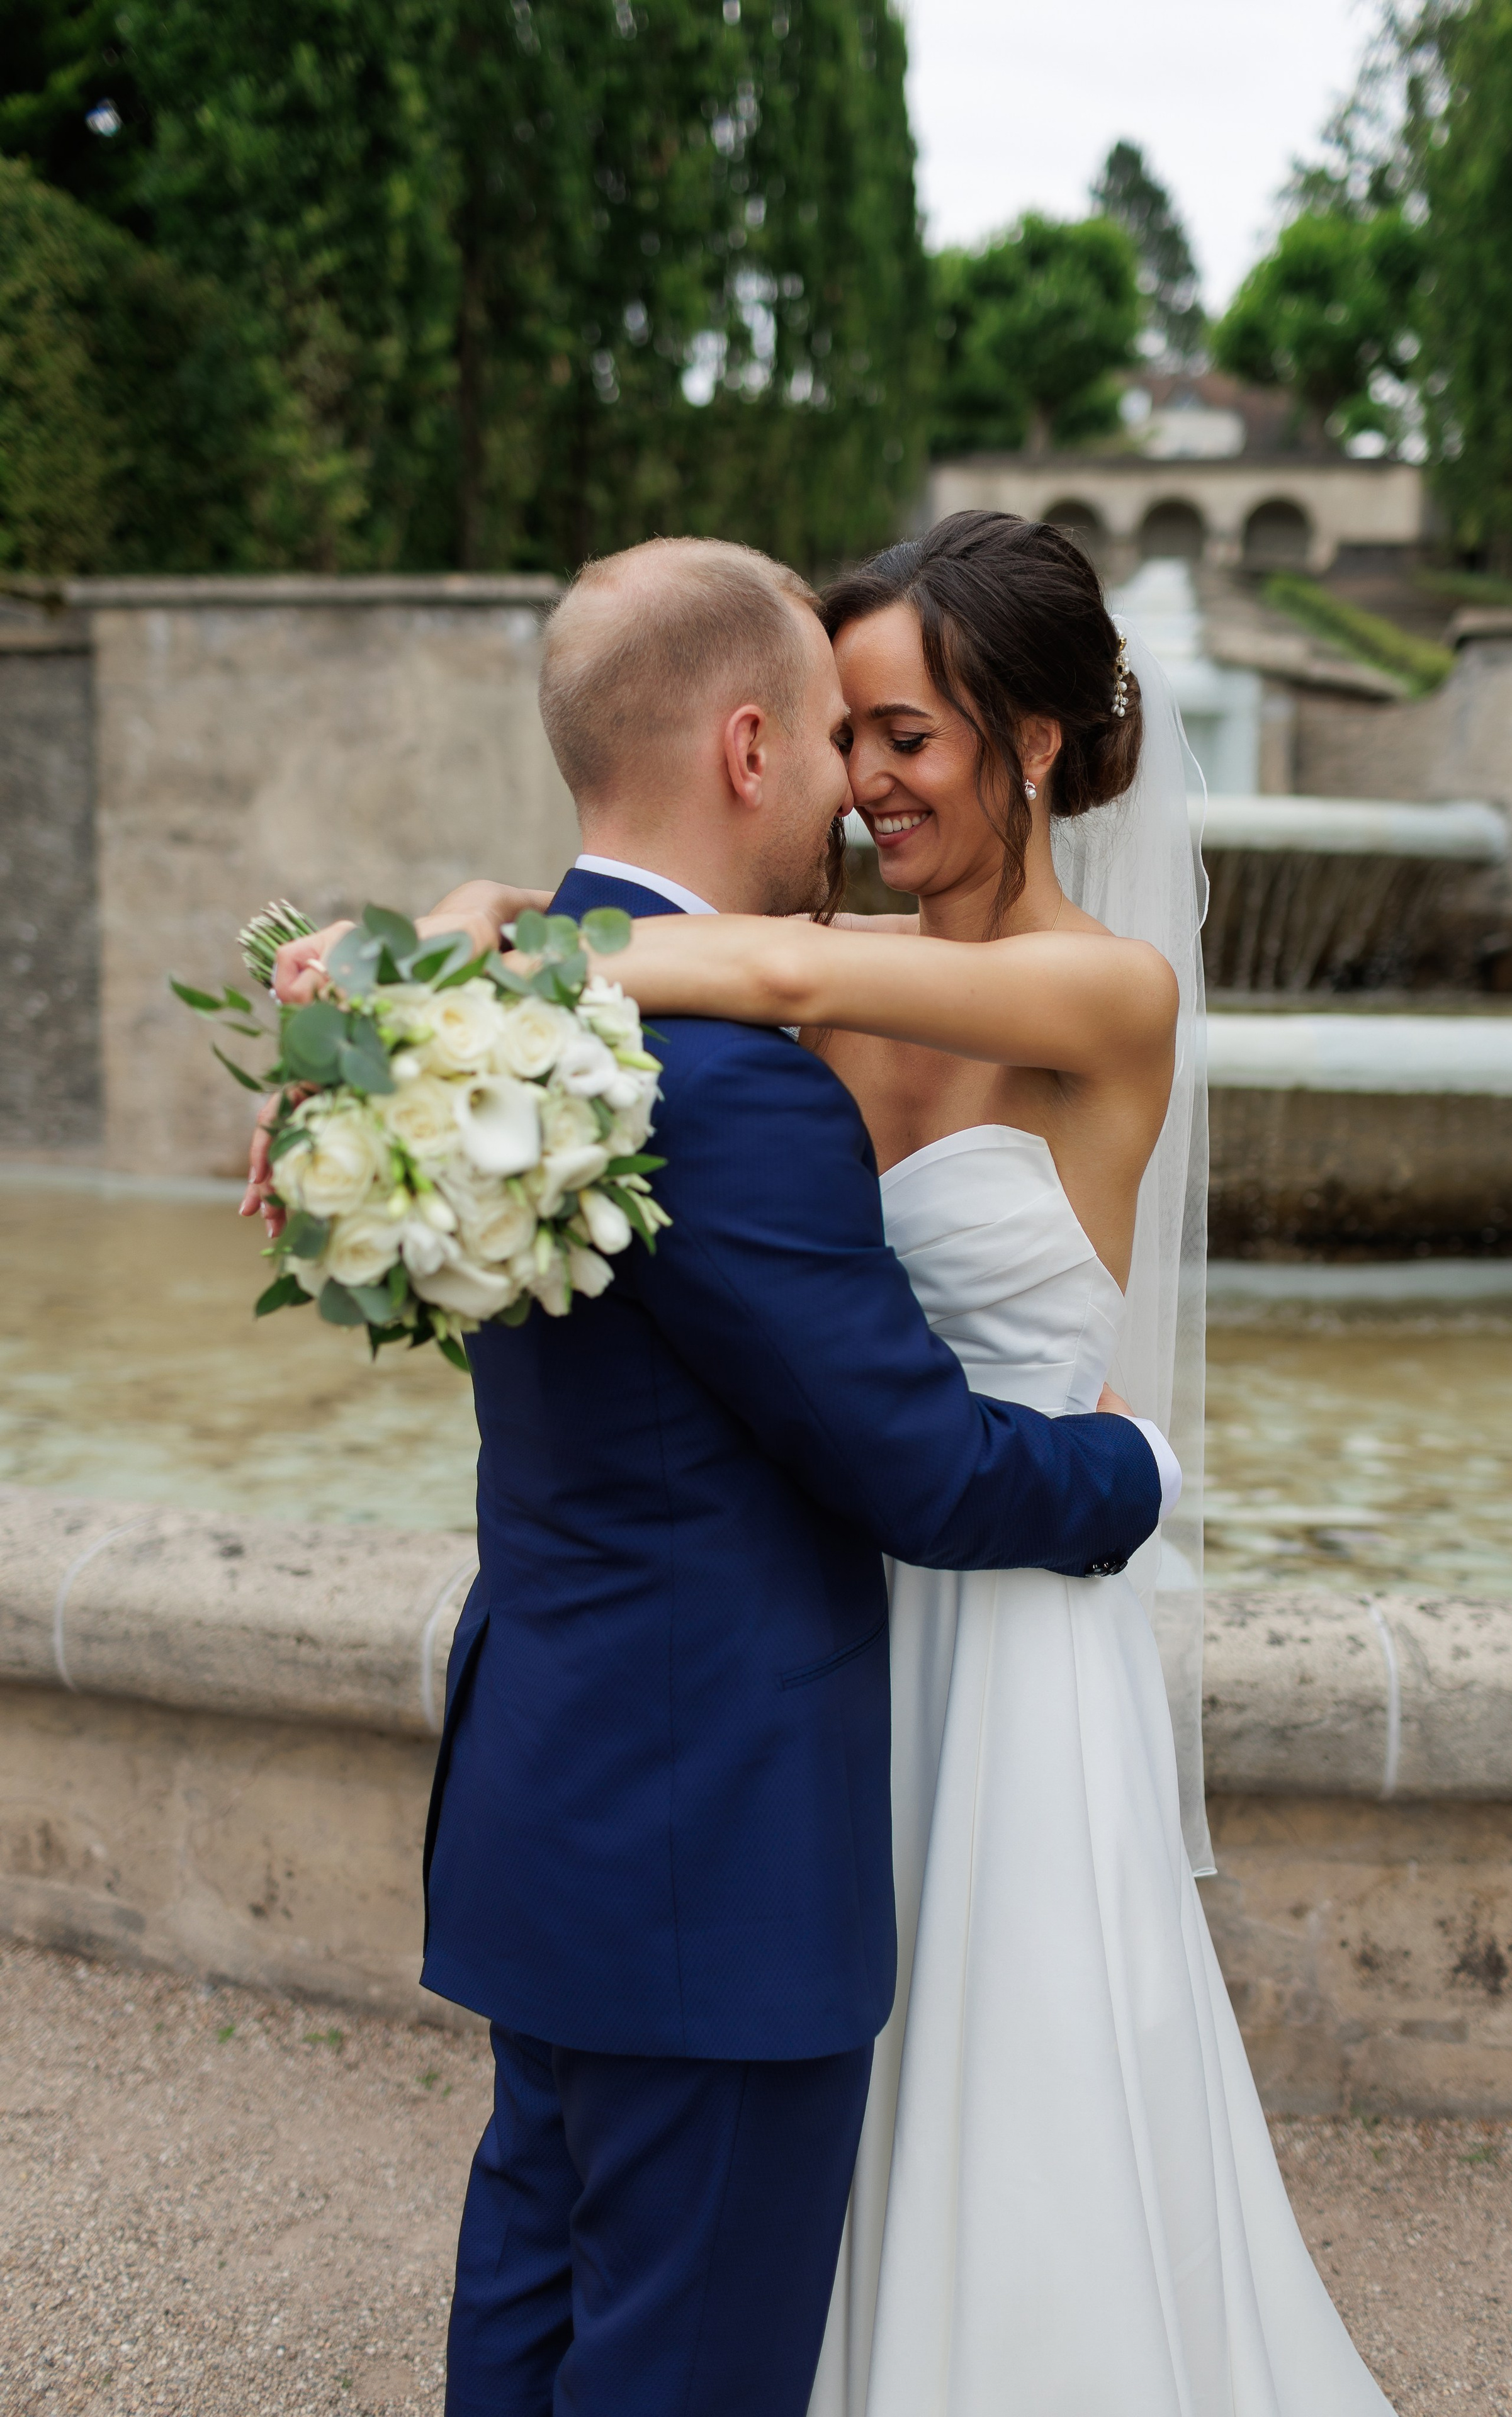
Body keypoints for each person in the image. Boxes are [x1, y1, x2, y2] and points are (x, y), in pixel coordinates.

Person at [256, 530, 1173, 2417]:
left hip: (628, 1756)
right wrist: (1138, 1469)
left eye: (906, 734)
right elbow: (922, 1470)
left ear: (1035, 743)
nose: (866, 783)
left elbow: (746, 951)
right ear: (757, 748)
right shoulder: (730, 1055)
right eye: (850, 733)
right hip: (748, 1781)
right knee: (682, 2336)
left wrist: (438, 961)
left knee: (549, 2278)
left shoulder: (539, 1031)